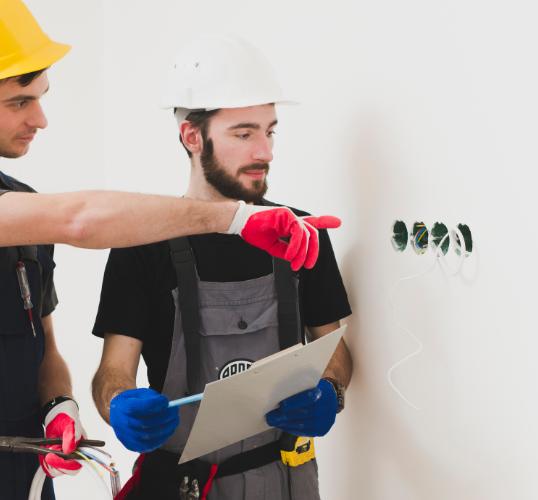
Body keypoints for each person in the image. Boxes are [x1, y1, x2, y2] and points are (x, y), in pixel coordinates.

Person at [0, 3, 339, 499]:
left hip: (21, 476)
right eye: (20, 102)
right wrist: (237, 218)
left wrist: (60, 404)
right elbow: (79, 219)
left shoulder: (23, 209)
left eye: (41, 97)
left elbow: (46, 347)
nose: (40, 118)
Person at [90, 35, 353, 500]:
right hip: (182, 486)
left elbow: (334, 351)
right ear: (193, 136)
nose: (265, 152)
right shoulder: (142, 245)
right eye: (244, 133)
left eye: (270, 131)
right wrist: (119, 407)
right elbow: (113, 373)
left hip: (288, 483)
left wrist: (331, 391)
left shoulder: (302, 233)